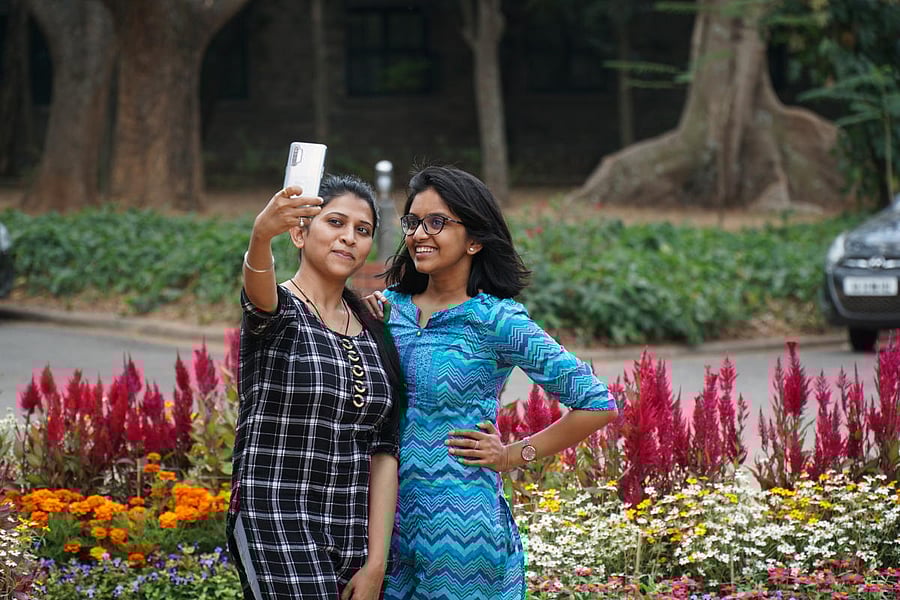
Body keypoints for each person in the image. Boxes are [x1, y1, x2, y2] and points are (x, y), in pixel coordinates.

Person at [366, 166, 619, 599]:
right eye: (413, 221)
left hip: (461, 530)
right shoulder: (385, 310)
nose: (419, 234)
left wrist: (512, 455)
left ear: (475, 240)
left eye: (437, 222)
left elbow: (597, 403)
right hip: (379, 520)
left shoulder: (498, 321)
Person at [227, 174, 404, 600]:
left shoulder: (374, 327)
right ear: (299, 232)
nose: (349, 238)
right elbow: (257, 294)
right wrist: (259, 237)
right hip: (273, 519)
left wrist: (376, 563)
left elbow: (385, 448)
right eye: (335, 223)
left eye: (362, 231)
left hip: (350, 533)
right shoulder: (279, 311)